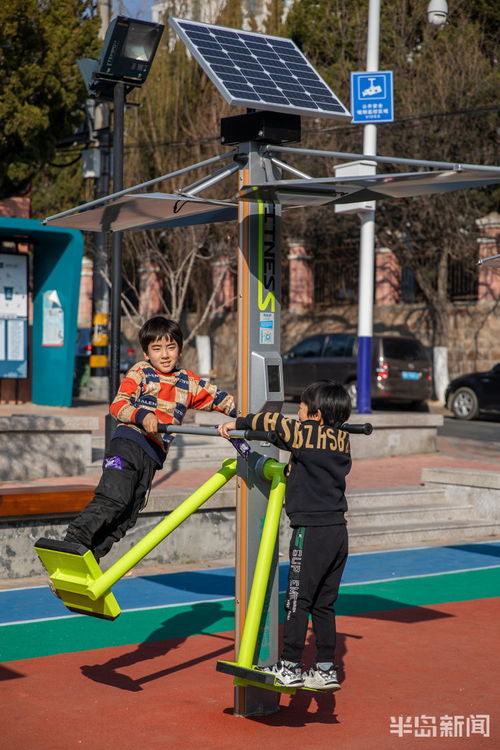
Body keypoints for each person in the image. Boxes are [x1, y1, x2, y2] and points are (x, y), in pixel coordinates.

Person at [64, 316, 236, 561]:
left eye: (170, 347)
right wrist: (142, 414)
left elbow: (223, 400)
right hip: (127, 445)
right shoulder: (141, 372)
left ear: (180, 349)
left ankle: (88, 558)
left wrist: (247, 418)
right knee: (114, 498)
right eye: (156, 349)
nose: (164, 355)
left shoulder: (188, 382)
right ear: (146, 353)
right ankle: (72, 544)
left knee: (129, 515)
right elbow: (118, 404)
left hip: (152, 456)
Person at [218, 380, 352, 691]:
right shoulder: (343, 440)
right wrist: (241, 445)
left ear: (315, 415)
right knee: (324, 604)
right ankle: (325, 668)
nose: (297, 414)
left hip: (311, 531)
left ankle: (290, 665)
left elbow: (271, 421)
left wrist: (236, 424)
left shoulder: (304, 433)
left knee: (297, 600)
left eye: (301, 409)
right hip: (337, 532)